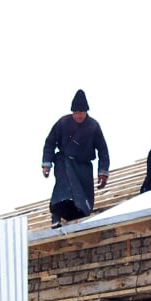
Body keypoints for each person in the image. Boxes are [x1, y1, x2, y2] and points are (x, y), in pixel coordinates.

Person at [41, 89, 110, 227]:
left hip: (83, 166)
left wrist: (103, 172)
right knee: (63, 188)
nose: (78, 115)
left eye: (81, 112)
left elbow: (103, 150)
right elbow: (50, 142)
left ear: (86, 112)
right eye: (75, 112)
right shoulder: (63, 122)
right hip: (64, 162)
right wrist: (46, 164)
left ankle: (78, 216)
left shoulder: (93, 126)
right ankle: (56, 216)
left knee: (82, 195)